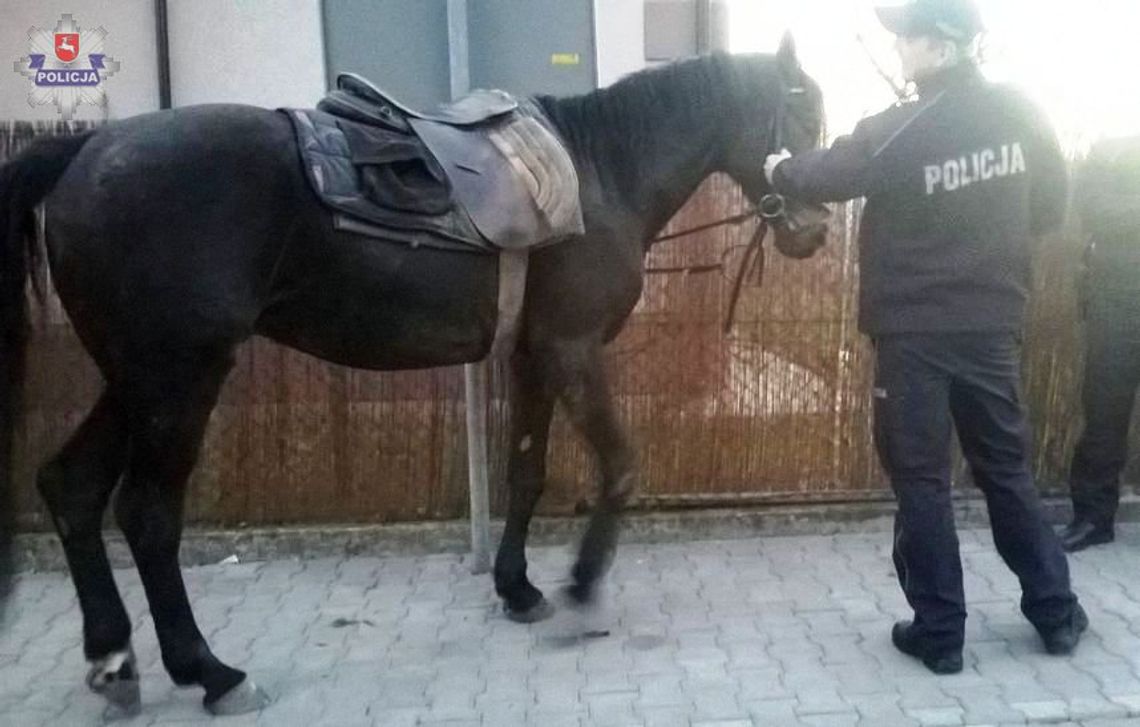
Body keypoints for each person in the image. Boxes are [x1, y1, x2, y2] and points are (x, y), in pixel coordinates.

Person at [764, 0, 1087, 674]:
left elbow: (831, 171)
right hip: (993, 326)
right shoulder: (1023, 113)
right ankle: (1057, 613)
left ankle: (940, 631)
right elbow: (1051, 204)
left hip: (914, 333)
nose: (902, 50)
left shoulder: (901, 128)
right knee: (1005, 470)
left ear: (944, 46)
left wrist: (777, 171)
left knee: (921, 479)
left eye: (908, 38)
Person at [1059, 136, 1140, 552]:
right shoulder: (1110, 151)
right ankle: (1093, 518)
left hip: (1117, 291)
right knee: (1105, 414)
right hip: (1117, 299)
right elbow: (1093, 211)